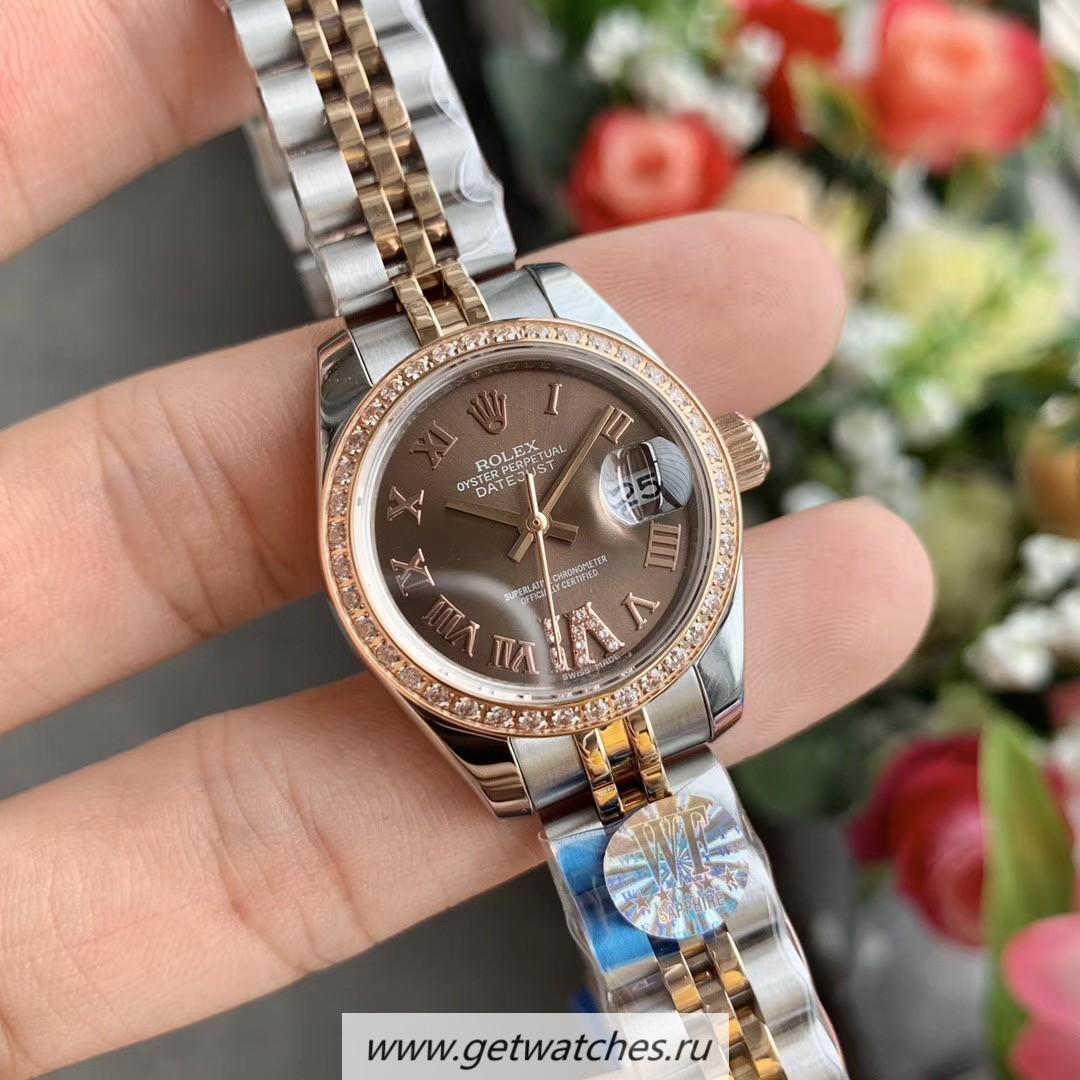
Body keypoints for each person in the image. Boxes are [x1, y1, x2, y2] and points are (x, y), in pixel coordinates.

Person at [0, 2, 933, 1075]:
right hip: (545, 678)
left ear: (721, 455)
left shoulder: (552, 333)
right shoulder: (468, 364)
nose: (538, 519)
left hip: (604, 667)